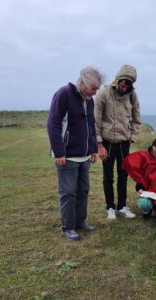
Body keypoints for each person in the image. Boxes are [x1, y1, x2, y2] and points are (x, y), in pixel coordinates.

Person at [47, 66, 104, 241]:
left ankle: (81, 222)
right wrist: (59, 152)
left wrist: (94, 149)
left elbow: (91, 126)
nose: (95, 93)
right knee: (68, 192)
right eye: (93, 88)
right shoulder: (63, 94)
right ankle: (68, 227)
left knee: (83, 190)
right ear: (84, 83)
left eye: (97, 89)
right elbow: (53, 124)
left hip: (85, 156)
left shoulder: (89, 100)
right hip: (67, 156)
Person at [94, 65, 141, 220]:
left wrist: (132, 136)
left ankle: (121, 206)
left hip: (123, 142)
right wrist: (99, 144)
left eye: (129, 83)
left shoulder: (132, 95)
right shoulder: (103, 94)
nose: (125, 86)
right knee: (108, 176)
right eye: (124, 82)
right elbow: (95, 120)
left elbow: (137, 118)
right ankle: (110, 208)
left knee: (123, 175)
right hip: (106, 142)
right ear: (118, 79)